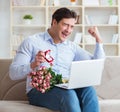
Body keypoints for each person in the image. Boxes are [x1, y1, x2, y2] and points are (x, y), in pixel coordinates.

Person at [9, 7, 105, 112]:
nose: (68, 30)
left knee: (89, 90)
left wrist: (98, 40)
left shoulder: (72, 47)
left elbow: (97, 62)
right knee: (68, 94)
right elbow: (13, 73)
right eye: (65, 25)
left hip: (66, 86)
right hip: (40, 90)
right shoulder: (31, 42)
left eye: (72, 26)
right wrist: (33, 65)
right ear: (54, 22)